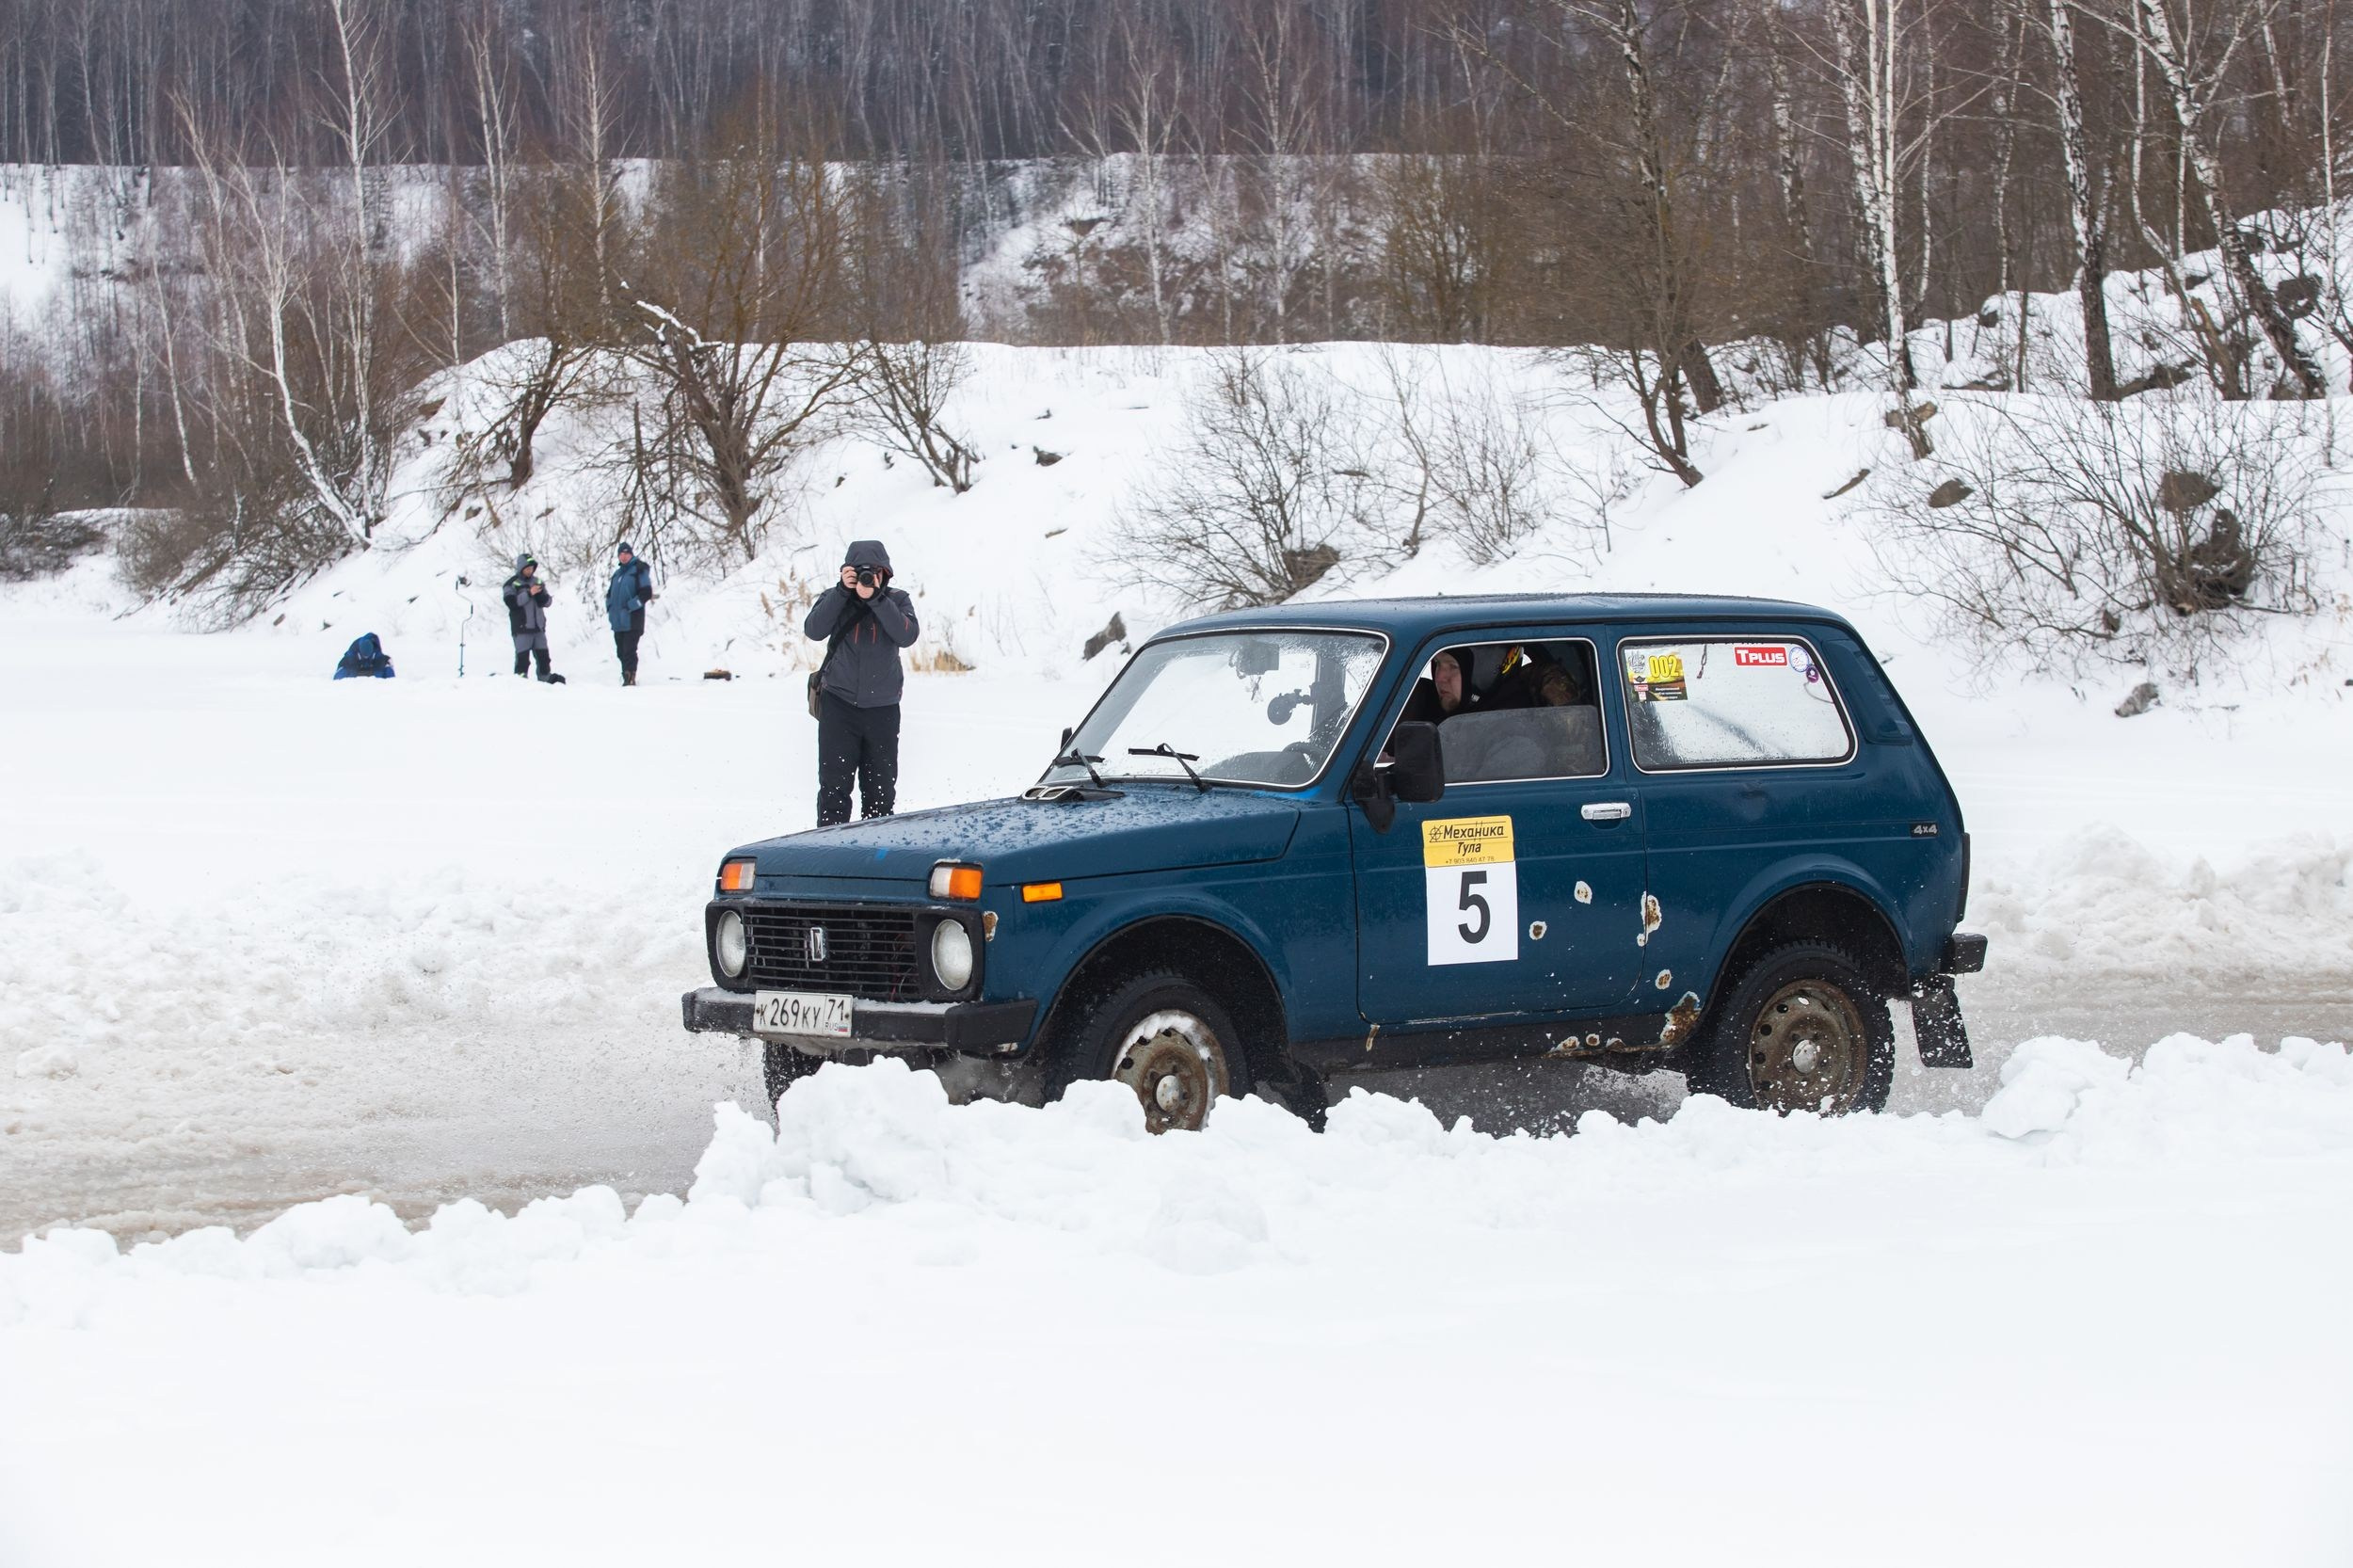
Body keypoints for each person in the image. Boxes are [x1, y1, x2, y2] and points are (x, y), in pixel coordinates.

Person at [803, 539, 920, 825]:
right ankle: (830, 850)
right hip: (839, 706)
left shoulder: (897, 600)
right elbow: (814, 630)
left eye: (875, 572)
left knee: (880, 793)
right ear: (847, 572)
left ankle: (875, 856)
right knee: (833, 790)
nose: (868, 577)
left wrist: (877, 599)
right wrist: (843, 591)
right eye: (860, 572)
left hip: (883, 709)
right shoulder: (836, 597)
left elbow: (907, 636)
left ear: (886, 573)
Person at [502, 553, 561, 682]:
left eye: (532, 568)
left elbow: (548, 602)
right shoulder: (511, 584)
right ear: (521, 568)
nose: (530, 571)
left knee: (544, 657)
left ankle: (545, 679)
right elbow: (512, 603)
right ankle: (520, 681)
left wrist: (542, 598)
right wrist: (529, 594)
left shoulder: (538, 582)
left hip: (538, 628)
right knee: (523, 659)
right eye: (527, 568)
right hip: (522, 628)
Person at [605, 541, 655, 686]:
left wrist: (632, 606)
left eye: (626, 553)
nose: (624, 556)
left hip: (633, 619)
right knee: (620, 652)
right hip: (618, 621)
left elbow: (646, 592)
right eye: (621, 554)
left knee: (629, 651)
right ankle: (625, 675)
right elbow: (610, 594)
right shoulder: (617, 574)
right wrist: (609, 606)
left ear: (631, 554)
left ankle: (630, 677)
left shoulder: (638, 569)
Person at [1400, 648, 1476, 726]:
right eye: (1437, 663)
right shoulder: (1420, 702)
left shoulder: (1485, 723)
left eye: (1453, 666)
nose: (1439, 678)